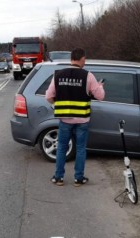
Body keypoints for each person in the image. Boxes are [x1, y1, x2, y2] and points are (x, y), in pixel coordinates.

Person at [45, 48, 105, 187]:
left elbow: (48, 96)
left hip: (64, 119)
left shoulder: (59, 75)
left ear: (71, 58)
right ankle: (78, 179)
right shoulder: (88, 76)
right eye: (85, 59)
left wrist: (58, 104)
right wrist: (100, 87)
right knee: (80, 148)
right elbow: (100, 96)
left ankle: (58, 178)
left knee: (61, 148)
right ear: (82, 59)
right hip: (82, 120)